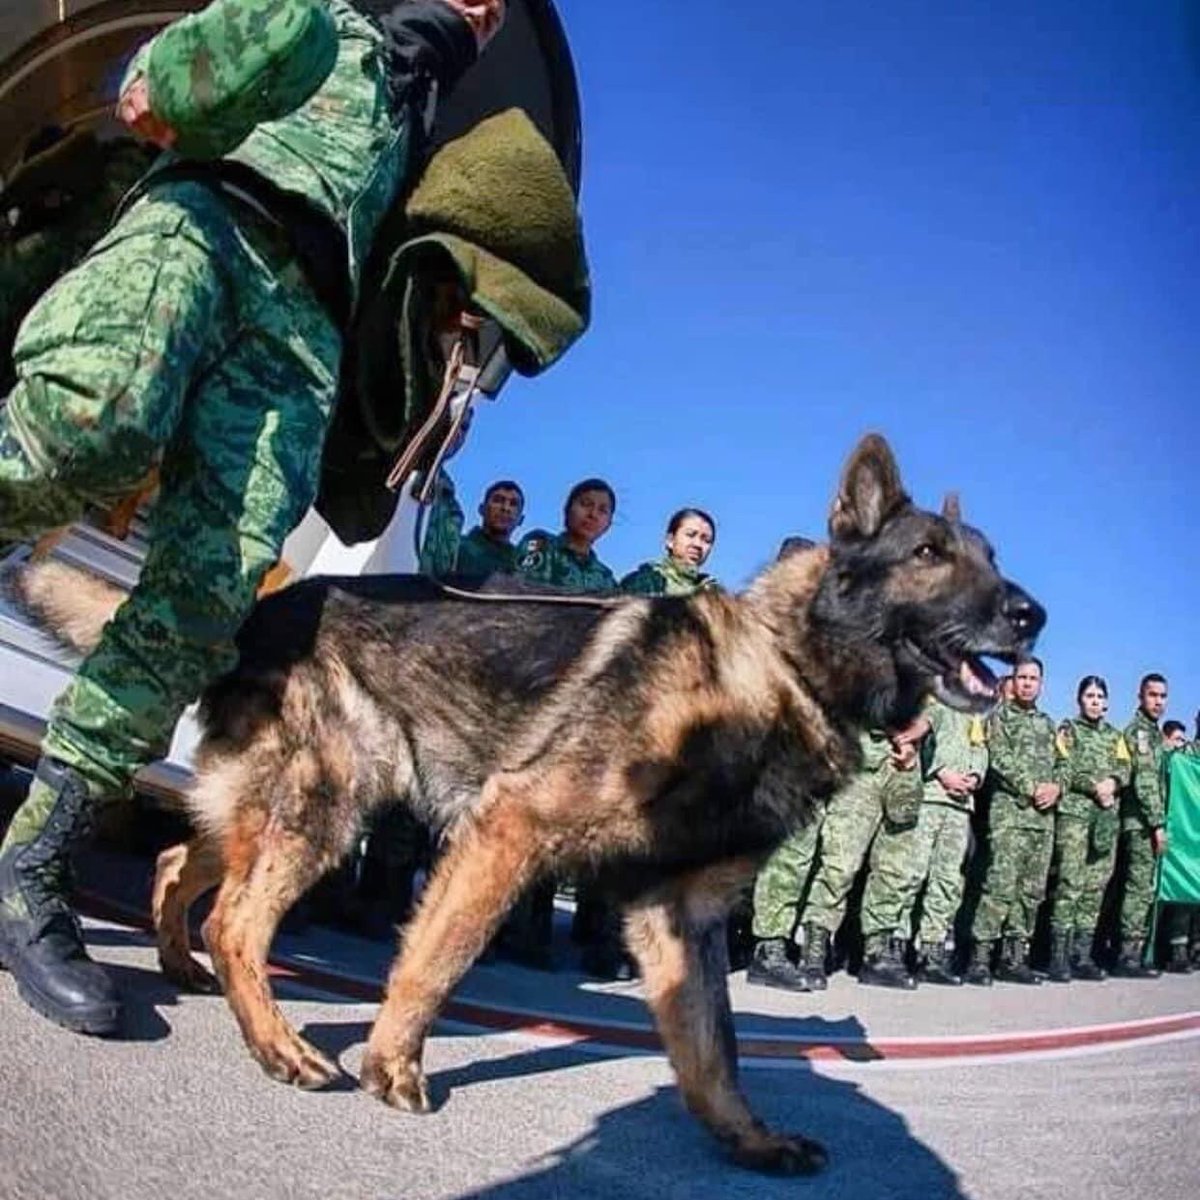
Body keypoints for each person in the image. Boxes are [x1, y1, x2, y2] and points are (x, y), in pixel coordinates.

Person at [0, 0, 591, 1035]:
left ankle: (32, 865)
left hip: (301, 337)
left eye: (497, 5)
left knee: (200, 604)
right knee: (81, 432)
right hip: (210, 221)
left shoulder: (432, 149)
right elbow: (168, 73)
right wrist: (168, 74)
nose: (485, 9)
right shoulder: (321, 24)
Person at [791, 719, 928, 991]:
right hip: (862, 765)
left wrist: (919, 728)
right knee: (839, 864)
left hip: (904, 767)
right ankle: (814, 951)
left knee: (895, 868)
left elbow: (938, 702)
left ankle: (877, 955)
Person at [965, 656, 1061, 986]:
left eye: (1034, 678)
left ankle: (1014, 957)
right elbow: (999, 759)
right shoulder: (999, 717)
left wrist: (1056, 786)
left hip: (1043, 820)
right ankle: (980, 957)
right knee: (999, 886)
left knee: (1031, 892)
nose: (1028, 683)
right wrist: (1032, 787)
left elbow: (1064, 764)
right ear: (1014, 680)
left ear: (1041, 684)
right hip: (1010, 816)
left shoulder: (1049, 725)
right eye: (1022, 678)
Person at [897, 696, 989, 986]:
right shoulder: (932, 700)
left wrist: (974, 775)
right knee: (913, 874)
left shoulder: (973, 712)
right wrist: (942, 773)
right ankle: (896, 949)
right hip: (931, 798)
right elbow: (918, 737)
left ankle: (931, 954)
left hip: (961, 806)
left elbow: (980, 747)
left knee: (947, 881)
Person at [1045, 676, 1131, 981]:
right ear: (1079, 700)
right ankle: (1058, 956)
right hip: (1075, 816)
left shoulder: (1115, 735)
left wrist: (1114, 782)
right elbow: (1063, 765)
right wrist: (1094, 786)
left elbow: (1125, 766)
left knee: (1096, 887)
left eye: (1099, 696)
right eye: (1089, 696)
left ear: (1107, 702)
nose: (1094, 701)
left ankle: (1082, 954)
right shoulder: (1069, 729)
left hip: (1105, 819)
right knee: (1070, 883)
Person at [1113, 673, 1170, 978]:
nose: (1158, 702)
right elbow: (1146, 783)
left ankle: (1135, 950)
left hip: (1147, 822)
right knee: (1138, 889)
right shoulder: (1140, 734)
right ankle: (1128, 955)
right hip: (1141, 823)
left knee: (1144, 887)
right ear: (1140, 696)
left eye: (1162, 697)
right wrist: (1157, 825)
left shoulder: (1156, 734)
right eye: (1152, 695)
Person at [516, 478, 618, 591]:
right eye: (585, 504)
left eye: (602, 511)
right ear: (567, 509)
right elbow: (520, 586)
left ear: (608, 524)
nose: (593, 514)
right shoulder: (538, 543)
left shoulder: (605, 578)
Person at [619, 507, 720, 596]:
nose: (697, 544)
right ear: (670, 540)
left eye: (706, 540)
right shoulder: (646, 582)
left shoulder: (714, 594)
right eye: (690, 535)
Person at [455, 479, 525, 577]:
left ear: (520, 520)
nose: (505, 508)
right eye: (498, 500)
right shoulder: (456, 547)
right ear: (481, 509)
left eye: (513, 504)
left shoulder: (522, 565)